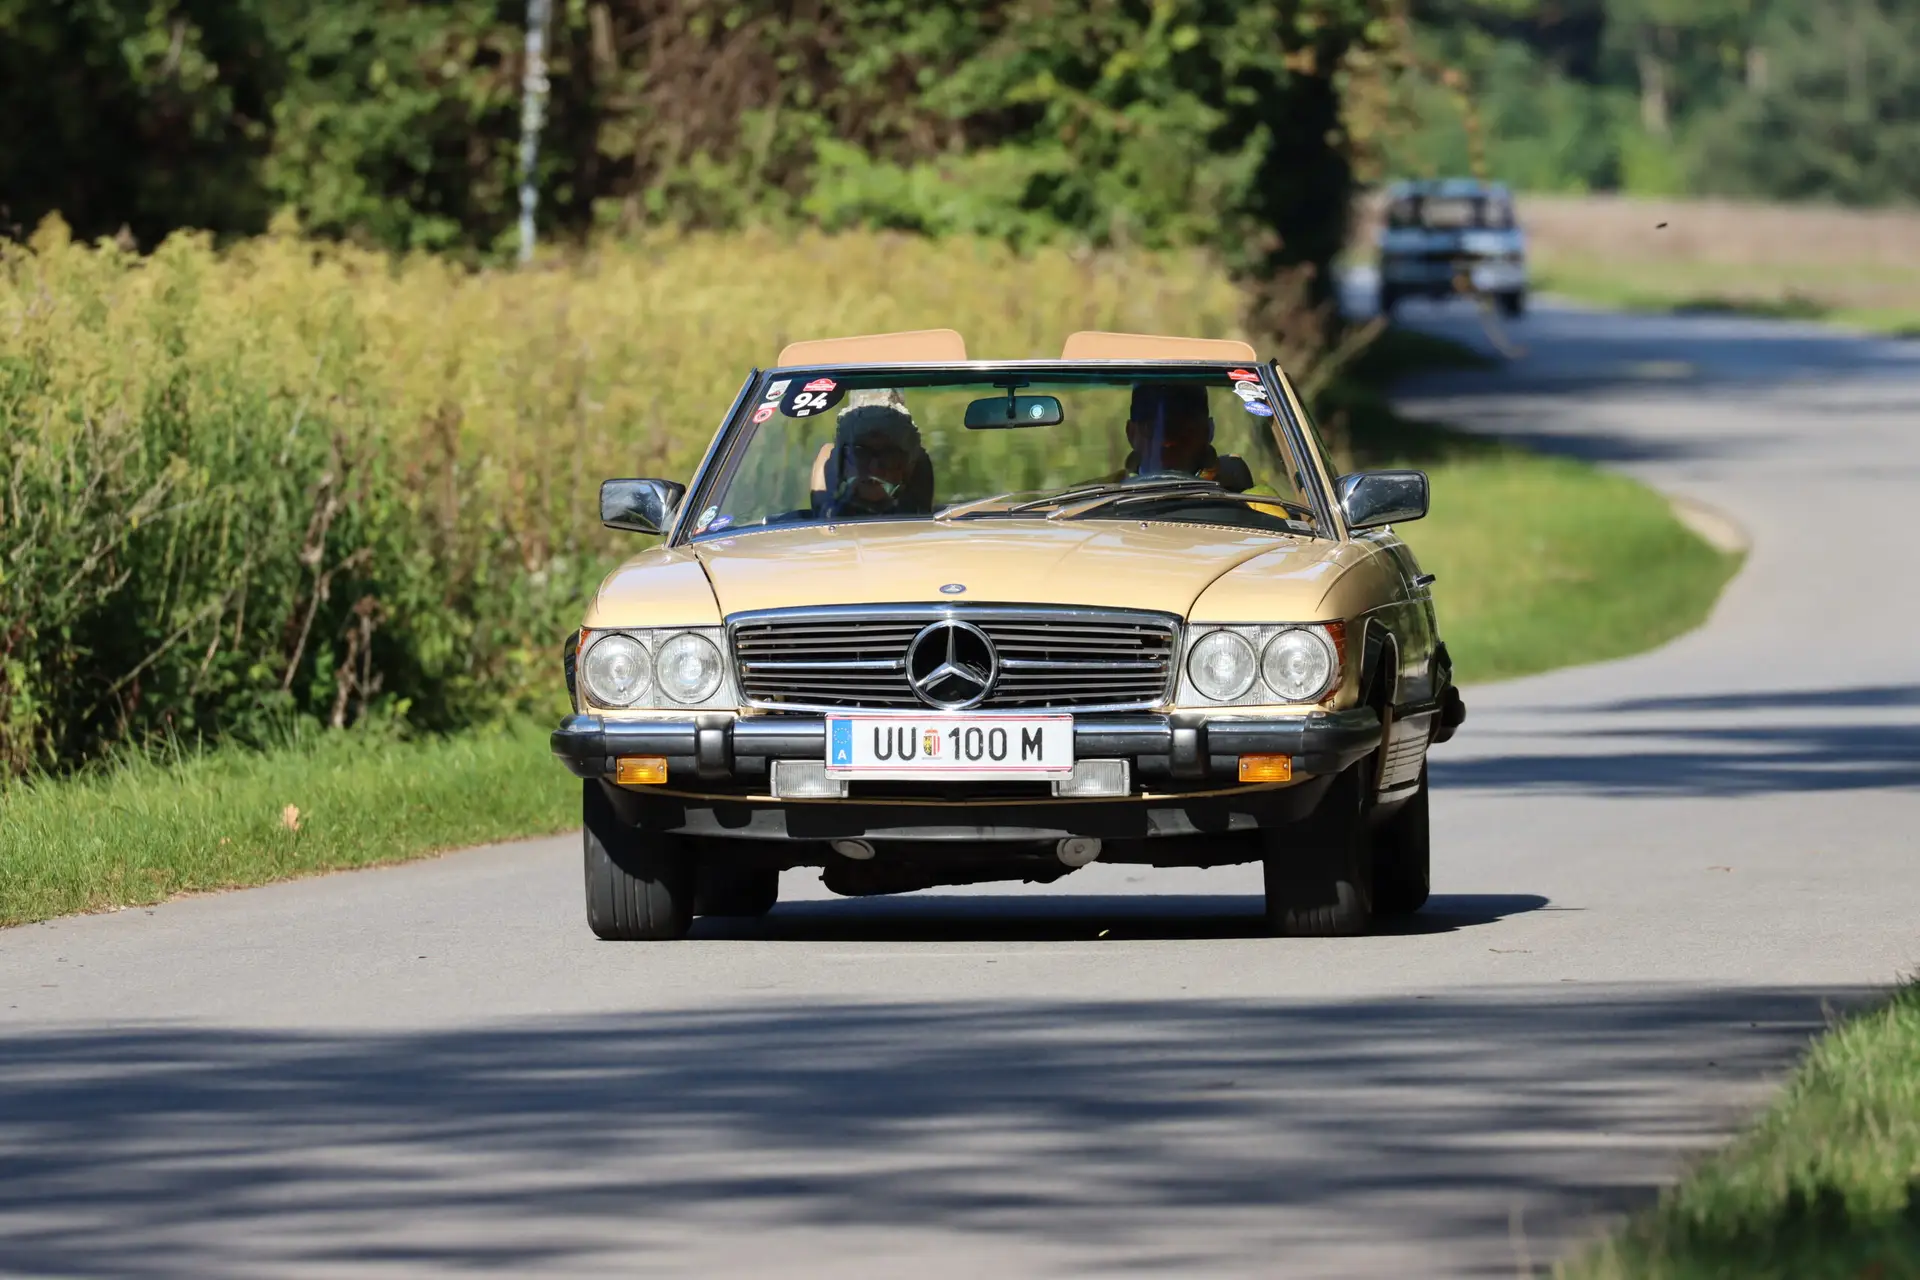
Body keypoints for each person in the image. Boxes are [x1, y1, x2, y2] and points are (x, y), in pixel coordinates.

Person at [1105, 381, 1254, 490]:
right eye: (1152, 429)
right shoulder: (1099, 497)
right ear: (1131, 434)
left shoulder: (1247, 503)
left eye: (1182, 429)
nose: (1167, 442)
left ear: (1208, 431)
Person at [809, 390, 935, 519]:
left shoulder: (932, 528)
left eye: (889, 456)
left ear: (908, 469)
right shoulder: (822, 523)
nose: (874, 469)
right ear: (842, 465)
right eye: (861, 454)